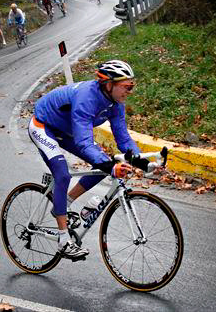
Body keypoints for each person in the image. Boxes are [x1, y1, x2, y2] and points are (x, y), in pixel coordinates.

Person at [28, 60, 152, 259]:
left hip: (66, 131)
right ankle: (63, 240)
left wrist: (140, 159)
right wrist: (112, 166)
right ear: (109, 84)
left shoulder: (115, 102)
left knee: (102, 164)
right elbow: (84, 142)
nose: (130, 91)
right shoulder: (87, 98)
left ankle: (65, 203)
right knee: (62, 174)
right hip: (44, 126)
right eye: (127, 86)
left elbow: (123, 138)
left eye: (132, 86)